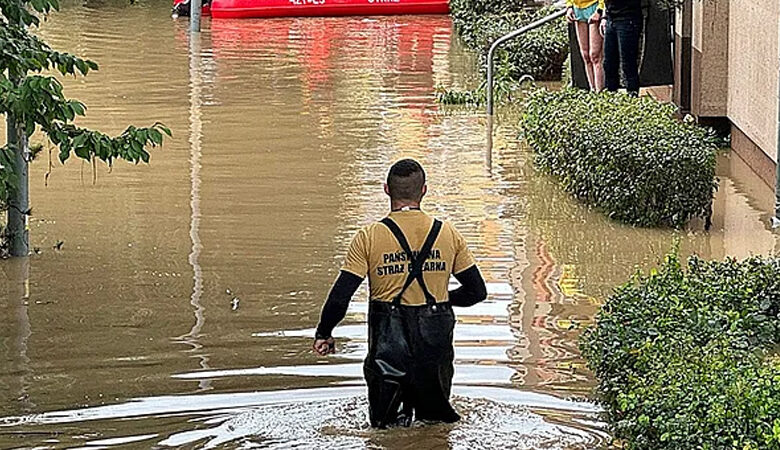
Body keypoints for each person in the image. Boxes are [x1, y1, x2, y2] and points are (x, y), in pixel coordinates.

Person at [313, 159, 488, 429]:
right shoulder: (448, 234)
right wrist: (441, 298)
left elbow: (341, 296)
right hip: (434, 345)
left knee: (385, 430)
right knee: (436, 428)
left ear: (386, 189)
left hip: (388, 346)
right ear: (424, 190)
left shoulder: (369, 237)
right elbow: (477, 292)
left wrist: (324, 332)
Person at [600, 0, 644, 96]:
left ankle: (632, 93)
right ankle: (611, 94)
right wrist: (604, 17)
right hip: (610, 18)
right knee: (609, 63)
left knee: (628, 62)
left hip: (628, 18)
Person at [566, 0, 606, 92]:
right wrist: (569, 7)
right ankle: (592, 89)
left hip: (594, 6)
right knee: (585, 55)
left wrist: (599, 10)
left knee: (595, 55)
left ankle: (599, 91)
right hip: (577, 9)